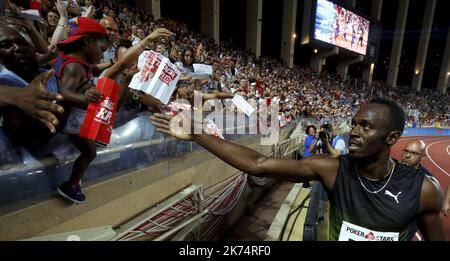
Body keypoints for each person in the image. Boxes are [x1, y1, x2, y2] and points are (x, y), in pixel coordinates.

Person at [150, 98, 446, 241]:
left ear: (392, 139)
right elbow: (259, 164)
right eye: (354, 123)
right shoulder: (332, 169)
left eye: (365, 127)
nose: (353, 132)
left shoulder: (423, 190)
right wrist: (198, 134)